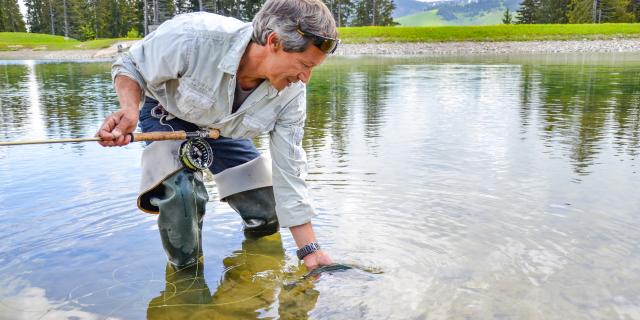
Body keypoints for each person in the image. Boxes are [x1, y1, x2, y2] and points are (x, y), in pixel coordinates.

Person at [97, 0, 339, 271]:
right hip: (166, 112)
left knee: (265, 208)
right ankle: (186, 284)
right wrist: (129, 110)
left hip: (223, 128)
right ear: (274, 42)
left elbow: (290, 170)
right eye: (304, 65)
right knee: (182, 197)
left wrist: (310, 250)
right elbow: (130, 64)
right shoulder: (193, 37)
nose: (305, 78)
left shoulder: (292, 95)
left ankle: (251, 278)